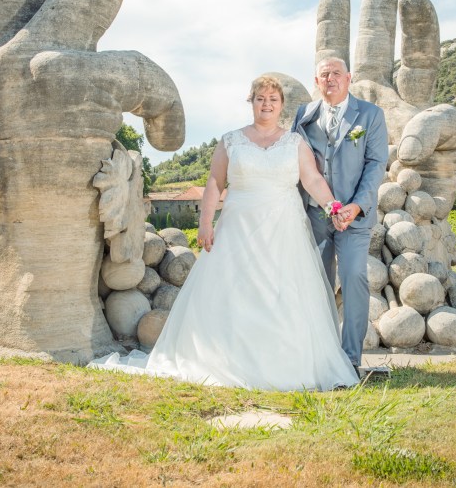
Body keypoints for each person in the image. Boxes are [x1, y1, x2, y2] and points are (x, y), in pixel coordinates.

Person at [90, 75, 359, 390]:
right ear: (251, 101)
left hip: (284, 231)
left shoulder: (295, 143)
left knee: (282, 293)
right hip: (238, 229)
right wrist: (205, 222)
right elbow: (214, 184)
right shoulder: (231, 141)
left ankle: (284, 362)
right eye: (261, 98)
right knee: (236, 291)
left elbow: (313, 180)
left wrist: (333, 207)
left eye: (273, 99)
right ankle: (227, 359)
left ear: (281, 105)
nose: (267, 104)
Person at [292, 57, 388, 372]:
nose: (330, 79)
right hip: (316, 217)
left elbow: (375, 165)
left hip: (355, 217)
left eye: (336, 74)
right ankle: (321, 354)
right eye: (324, 75)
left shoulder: (371, 115)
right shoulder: (303, 116)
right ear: (316, 82)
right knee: (316, 283)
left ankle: (350, 358)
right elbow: (294, 162)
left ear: (348, 78)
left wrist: (356, 205)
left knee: (354, 277)